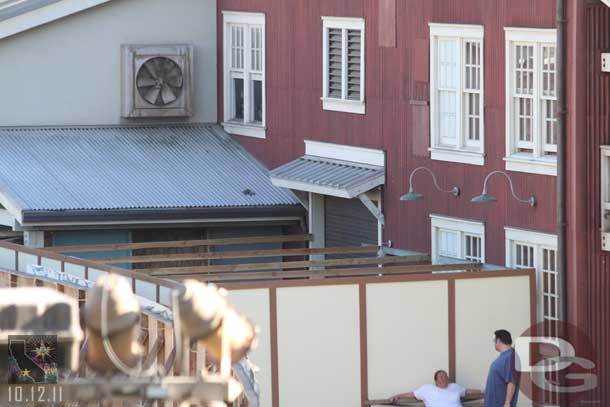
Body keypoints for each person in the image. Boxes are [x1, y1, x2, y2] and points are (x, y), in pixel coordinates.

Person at [389, 370, 483, 407]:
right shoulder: (427, 389)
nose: (444, 379)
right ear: (436, 381)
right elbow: (412, 394)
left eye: (445, 377)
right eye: (441, 377)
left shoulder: (454, 386)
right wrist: (397, 395)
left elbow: (467, 391)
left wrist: (482, 391)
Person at [484, 329, 520, 407]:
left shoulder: (511, 357)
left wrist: (507, 403)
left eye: (495, 341)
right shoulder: (504, 357)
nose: (494, 343)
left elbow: (512, 381)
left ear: (498, 340)